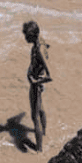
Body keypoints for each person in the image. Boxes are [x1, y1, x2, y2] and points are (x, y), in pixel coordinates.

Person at [23, 21, 52, 153]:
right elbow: (46, 48)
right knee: (41, 109)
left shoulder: (39, 49)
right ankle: (44, 133)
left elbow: (50, 74)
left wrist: (35, 82)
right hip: (38, 82)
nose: (25, 38)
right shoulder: (41, 41)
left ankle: (39, 149)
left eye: (26, 35)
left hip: (36, 84)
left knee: (35, 117)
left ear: (32, 35)